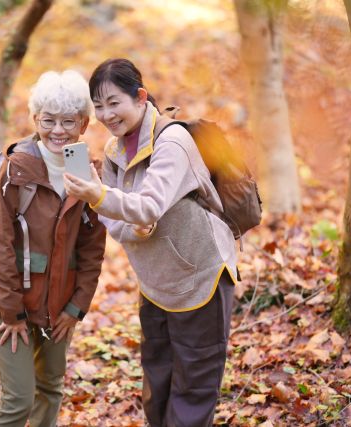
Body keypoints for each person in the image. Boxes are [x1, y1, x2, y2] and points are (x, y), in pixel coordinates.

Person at [63, 58, 237, 427]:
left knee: (194, 384)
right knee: (157, 378)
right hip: (156, 281)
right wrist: (131, 219)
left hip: (199, 275)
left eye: (114, 102)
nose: (106, 114)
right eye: (98, 105)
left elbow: (147, 206)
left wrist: (102, 197)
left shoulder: (172, 141)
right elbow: (120, 220)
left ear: (140, 97)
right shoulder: (114, 150)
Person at [0, 70, 106, 427]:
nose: (58, 131)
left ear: (83, 123)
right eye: (48, 120)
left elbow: (92, 250)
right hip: (11, 305)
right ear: (35, 119)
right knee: (18, 400)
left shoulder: (86, 171)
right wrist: (10, 312)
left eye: (69, 121)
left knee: (50, 389)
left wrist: (76, 307)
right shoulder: (15, 169)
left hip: (60, 306)